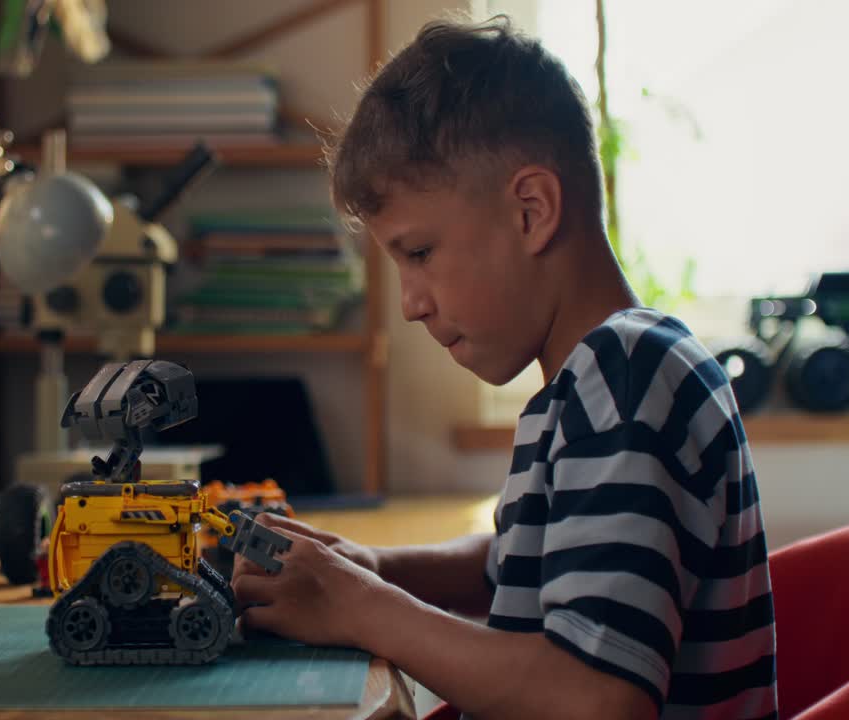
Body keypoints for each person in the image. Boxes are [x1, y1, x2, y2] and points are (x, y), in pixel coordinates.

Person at [231, 15, 776, 720]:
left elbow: (595, 697)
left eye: (419, 253)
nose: (411, 304)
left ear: (531, 211)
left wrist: (361, 606)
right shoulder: (595, 382)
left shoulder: (627, 380)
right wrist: (374, 568)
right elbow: (516, 563)